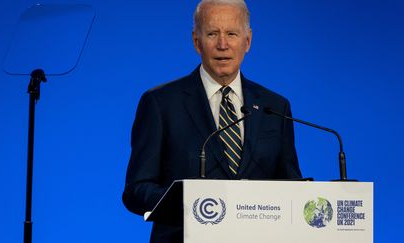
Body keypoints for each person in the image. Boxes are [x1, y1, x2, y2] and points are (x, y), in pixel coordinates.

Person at [122, 0, 302, 242]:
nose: (223, 45)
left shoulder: (275, 107)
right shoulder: (160, 103)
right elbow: (136, 190)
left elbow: (290, 185)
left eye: (231, 33)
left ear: (247, 41)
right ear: (197, 42)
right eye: (212, 34)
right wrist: (189, 201)